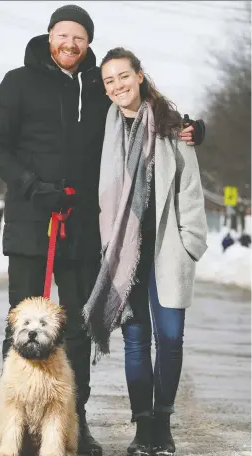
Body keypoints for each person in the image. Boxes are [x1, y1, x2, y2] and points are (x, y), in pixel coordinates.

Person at [0, 5, 206, 455]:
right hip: (31, 224)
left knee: (79, 328)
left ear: (88, 42)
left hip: (84, 228)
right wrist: (33, 187)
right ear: (49, 37)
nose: (70, 43)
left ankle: (72, 422)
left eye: (80, 37)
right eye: (63, 35)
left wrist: (190, 128)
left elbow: (140, 110)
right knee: (21, 325)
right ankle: (13, 428)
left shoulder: (99, 85)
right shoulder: (17, 81)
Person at [82, 47, 208, 456]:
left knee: (170, 338)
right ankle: (143, 427)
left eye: (123, 76)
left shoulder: (173, 127)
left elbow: (190, 189)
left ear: (139, 76)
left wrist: (191, 243)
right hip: (126, 251)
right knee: (136, 343)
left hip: (168, 247)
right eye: (109, 81)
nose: (117, 86)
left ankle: (165, 423)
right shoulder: (107, 131)